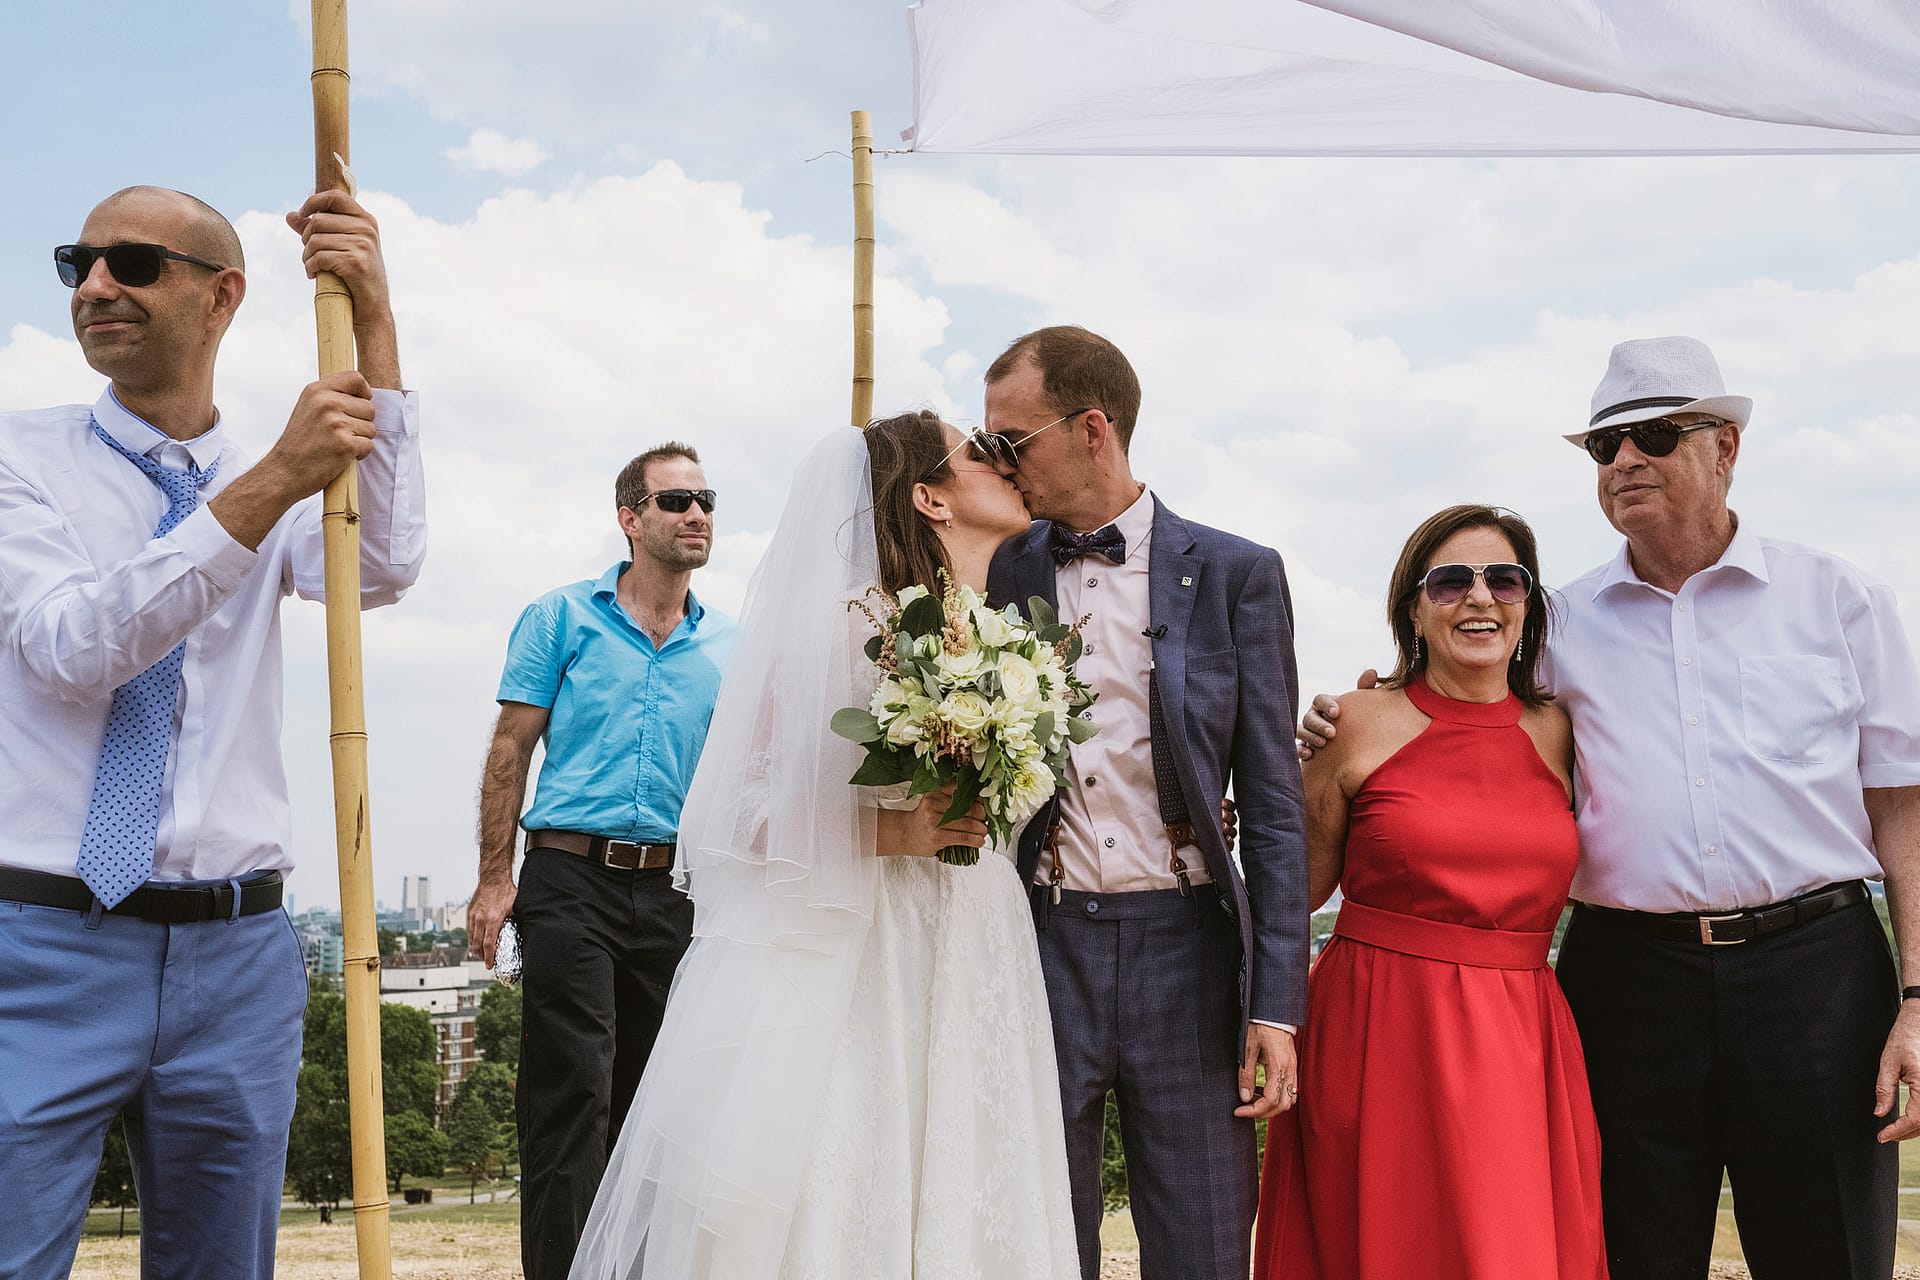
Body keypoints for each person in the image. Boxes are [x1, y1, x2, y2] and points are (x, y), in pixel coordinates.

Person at [1300, 336, 1920, 1279]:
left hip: (1818, 980)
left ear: (1726, 448)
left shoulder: (1840, 602)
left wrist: (1917, 999)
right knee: (1627, 1254)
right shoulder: (1556, 626)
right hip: (1625, 985)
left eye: (1657, 436)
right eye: (1605, 445)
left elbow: (1904, 815)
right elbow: (1459, 724)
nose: (1627, 459)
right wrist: (1347, 723)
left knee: (1830, 1253)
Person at [0, 185, 425, 1278]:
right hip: (40, 943)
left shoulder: (282, 466)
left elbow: (376, 566)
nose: (96, 285)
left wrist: (374, 322)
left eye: (132, 262)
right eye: (77, 262)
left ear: (221, 294)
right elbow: (71, 645)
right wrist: (272, 478)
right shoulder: (18, 459)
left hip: (237, 957)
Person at [568, 412, 1080, 1278]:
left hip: (977, 942)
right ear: (929, 498)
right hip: (870, 948)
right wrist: (893, 830)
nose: (1004, 463)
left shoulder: (1001, 639)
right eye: (979, 452)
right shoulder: (848, 627)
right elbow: (737, 815)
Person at [980, 325, 1308, 1280]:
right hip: (1040, 946)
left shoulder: (1241, 573)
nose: (1002, 465)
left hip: (1190, 954)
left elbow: (1276, 807)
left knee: (1206, 1247)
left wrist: (1276, 1005)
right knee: (1040, 1242)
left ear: (1092, 429)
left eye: (1014, 441)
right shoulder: (1001, 572)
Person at [1255, 504, 1606, 1278]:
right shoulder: (1352, 720)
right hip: (1378, 1031)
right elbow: (1296, 891)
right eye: (1450, 582)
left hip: (1522, 1040)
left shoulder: (1565, 729)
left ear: (1528, 604)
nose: (1479, 598)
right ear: (1412, 607)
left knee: (1508, 1249)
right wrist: (1276, 777)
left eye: (1503, 580)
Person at [466, 443, 733, 1280]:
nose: (697, 515)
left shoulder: (731, 644)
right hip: (569, 880)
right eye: (676, 500)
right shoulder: (560, 618)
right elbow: (511, 746)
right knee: (572, 1093)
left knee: (660, 1106)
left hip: (680, 891)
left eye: (707, 501)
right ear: (631, 519)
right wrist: (493, 877)